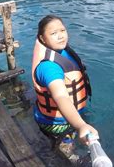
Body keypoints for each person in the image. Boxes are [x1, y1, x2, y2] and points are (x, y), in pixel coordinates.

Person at [31, 15, 98, 154]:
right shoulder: (49, 67)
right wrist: (80, 125)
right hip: (56, 125)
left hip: (73, 114)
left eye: (62, 30)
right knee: (67, 154)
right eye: (53, 33)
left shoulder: (64, 52)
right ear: (42, 39)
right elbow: (61, 96)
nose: (60, 36)